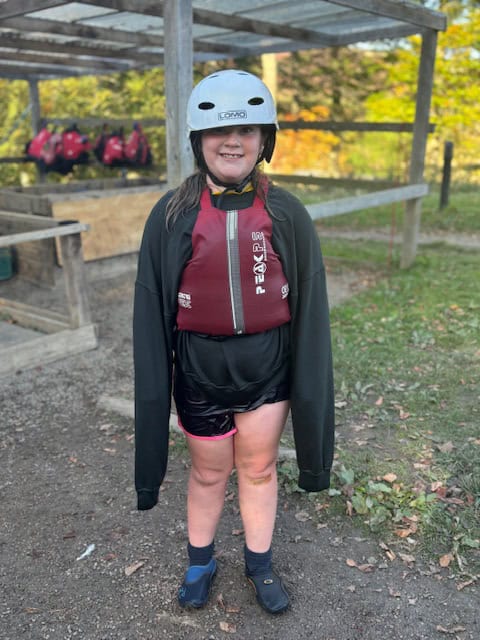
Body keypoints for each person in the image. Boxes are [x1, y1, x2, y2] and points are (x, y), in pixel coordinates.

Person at [133, 69, 335, 614]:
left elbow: (311, 307)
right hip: (199, 370)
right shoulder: (172, 215)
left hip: (267, 368)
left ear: (264, 139)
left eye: (246, 129)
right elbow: (151, 311)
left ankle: (259, 564)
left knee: (259, 468)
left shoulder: (286, 212)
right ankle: (200, 562)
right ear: (198, 141)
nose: (233, 141)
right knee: (208, 471)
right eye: (220, 131)